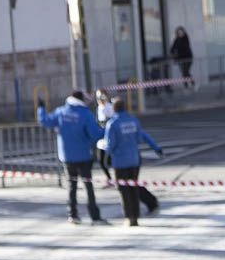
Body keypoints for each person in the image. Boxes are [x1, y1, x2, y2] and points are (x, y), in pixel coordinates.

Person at [37, 90, 105, 224]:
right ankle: (94, 216)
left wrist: (41, 108)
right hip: (84, 156)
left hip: (67, 157)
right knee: (88, 187)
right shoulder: (86, 114)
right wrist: (106, 127)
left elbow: (45, 121)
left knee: (71, 186)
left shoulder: (61, 112)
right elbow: (95, 134)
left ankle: (72, 215)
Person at [103, 99, 162, 227]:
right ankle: (136, 215)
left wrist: (105, 155)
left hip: (120, 162)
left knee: (124, 190)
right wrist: (156, 148)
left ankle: (129, 217)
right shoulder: (133, 121)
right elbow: (141, 137)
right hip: (134, 159)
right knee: (133, 188)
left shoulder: (112, 124)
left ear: (114, 109)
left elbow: (110, 144)